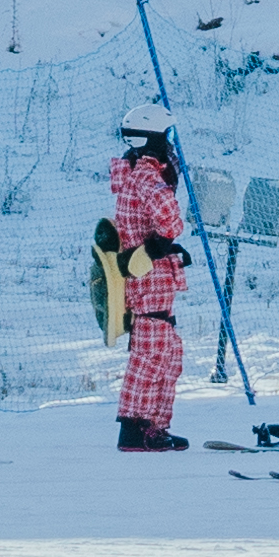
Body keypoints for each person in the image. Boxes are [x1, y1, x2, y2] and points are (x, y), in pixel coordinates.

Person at [102, 114, 201, 452]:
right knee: (151, 351)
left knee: (167, 352)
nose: (170, 144)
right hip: (149, 274)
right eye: (165, 135)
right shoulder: (147, 175)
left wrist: (165, 245)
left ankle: (154, 425)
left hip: (146, 269)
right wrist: (164, 242)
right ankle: (135, 427)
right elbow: (170, 220)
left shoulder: (132, 173)